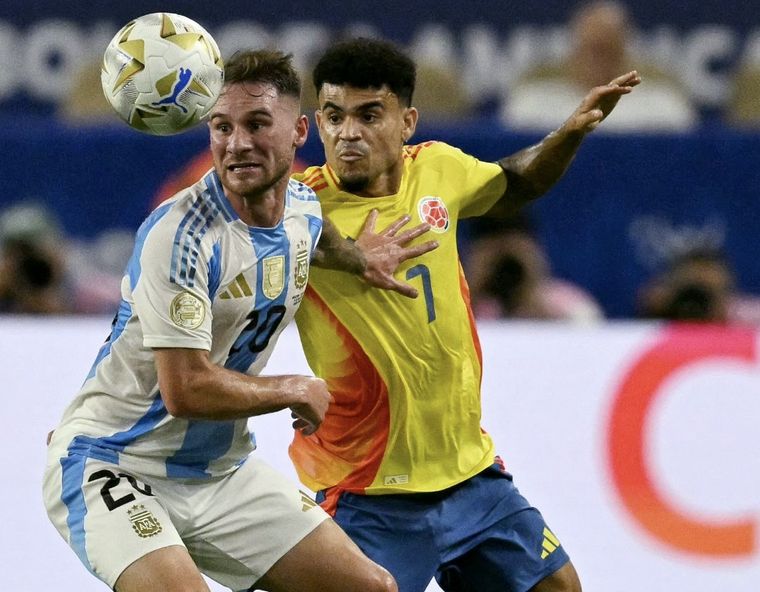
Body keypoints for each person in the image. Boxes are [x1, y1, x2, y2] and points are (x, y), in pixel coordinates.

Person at [43, 49, 438, 592]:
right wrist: (292, 389)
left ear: (300, 131)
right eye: (221, 126)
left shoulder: (301, 205)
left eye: (256, 124)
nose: (237, 143)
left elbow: (315, 237)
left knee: (372, 588)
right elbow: (184, 389)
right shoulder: (180, 236)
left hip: (220, 472)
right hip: (115, 462)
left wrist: (360, 257)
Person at [288, 37, 639, 592]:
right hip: (370, 493)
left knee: (561, 587)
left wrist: (567, 135)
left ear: (407, 121)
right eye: (332, 116)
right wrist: (283, 388)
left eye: (368, 114)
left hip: (470, 477)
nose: (347, 133)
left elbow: (514, 181)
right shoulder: (300, 210)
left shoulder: (438, 167)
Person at [501, 1, 695, 133]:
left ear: (624, 51)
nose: (598, 62)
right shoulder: (534, 101)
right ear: (575, 49)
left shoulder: (661, 104)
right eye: (591, 50)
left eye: (607, 51)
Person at [465, 215, 604, 322]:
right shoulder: (461, 305)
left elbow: (592, 335)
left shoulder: (567, 305)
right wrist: (471, 294)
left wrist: (535, 302)